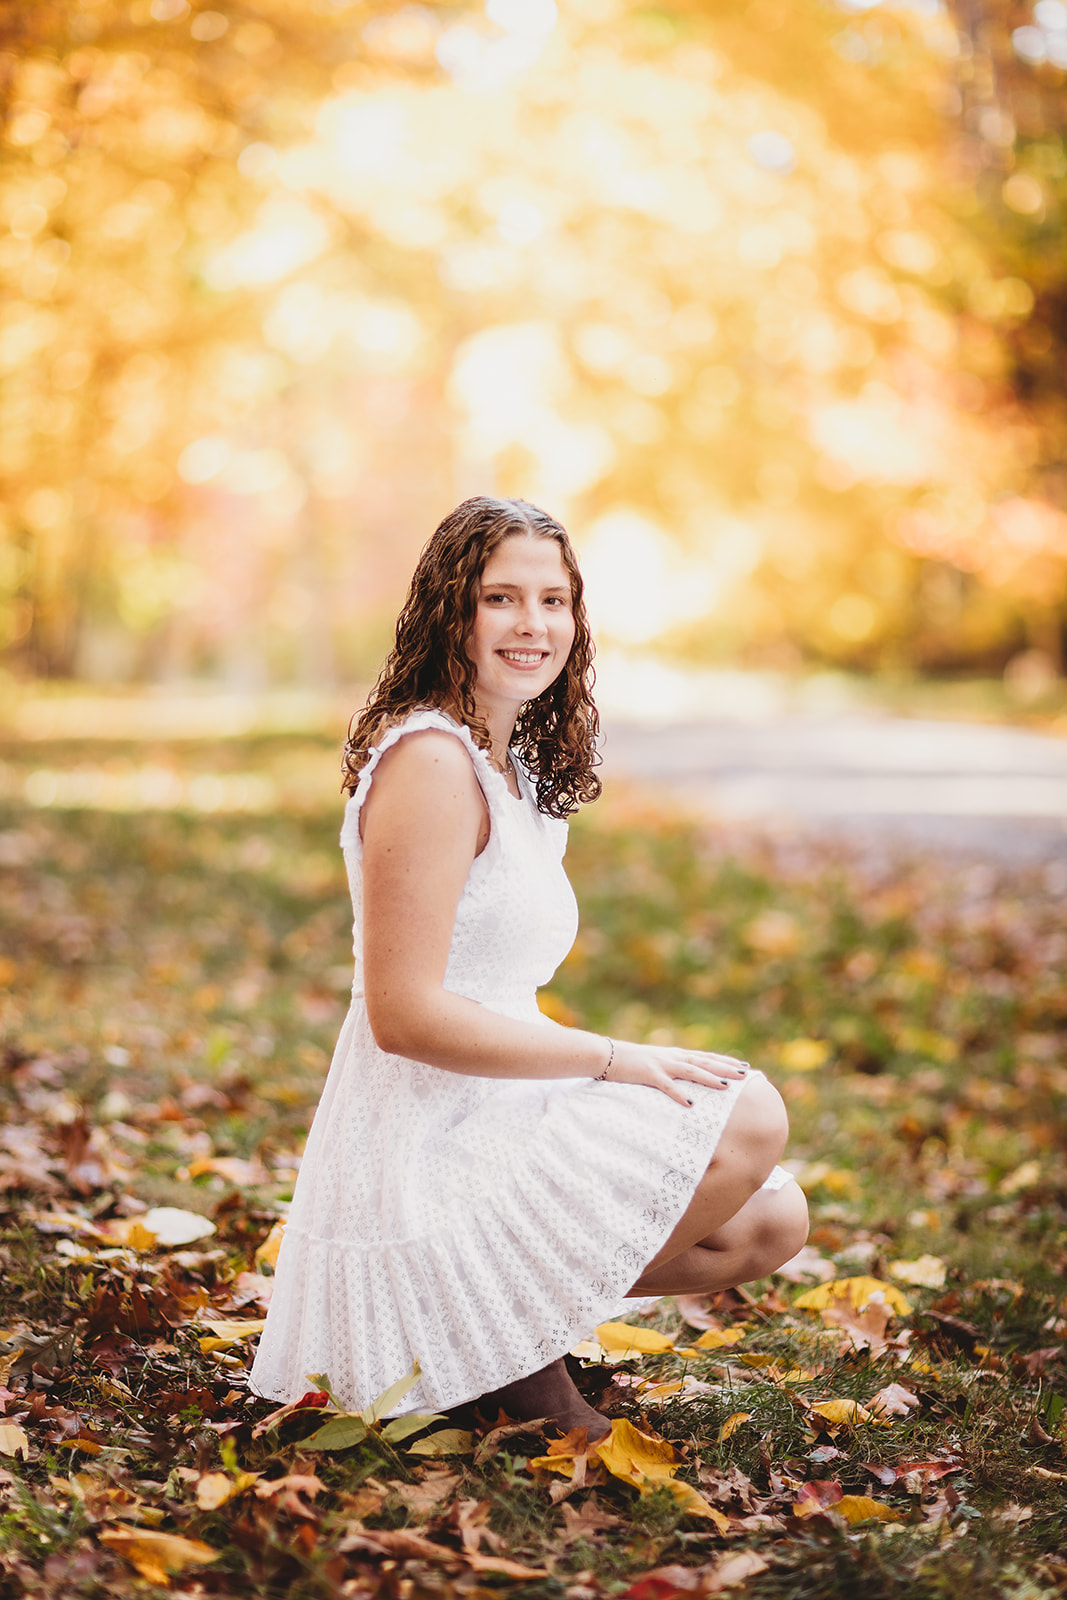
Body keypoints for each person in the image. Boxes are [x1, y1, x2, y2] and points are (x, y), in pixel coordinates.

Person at [249, 495, 807, 1437]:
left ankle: (491, 1339)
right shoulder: (430, 762)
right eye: (501, 598)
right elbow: (404, 1016)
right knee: (748, 1111)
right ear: (449, 612)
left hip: (497, 1101)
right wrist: (609, 1058)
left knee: (769, 1221)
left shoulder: (513, 765)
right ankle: (508, 1359)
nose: (532, 625)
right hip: (425, 1132)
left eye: (554, 601)